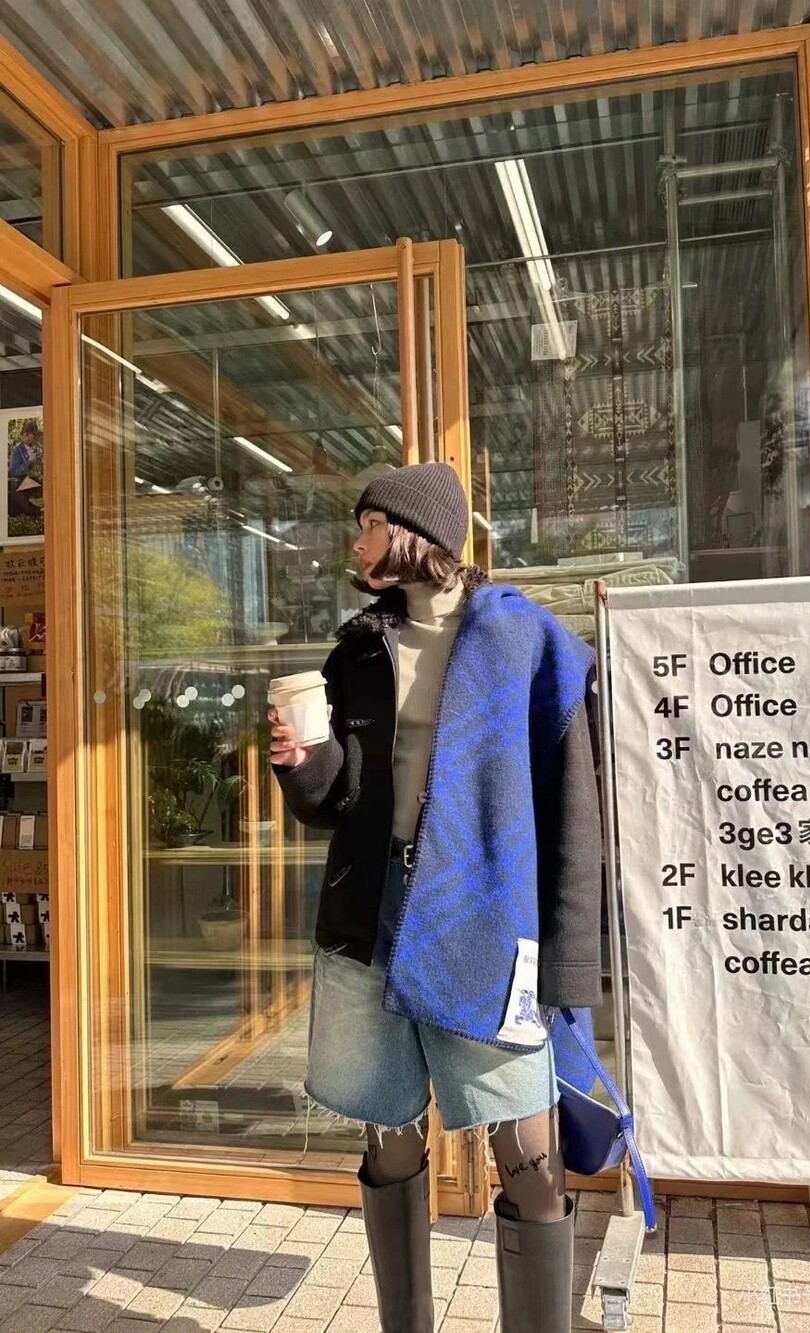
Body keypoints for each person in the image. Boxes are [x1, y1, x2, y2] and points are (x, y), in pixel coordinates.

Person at [270, 461, 603, 1332]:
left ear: (416, 530)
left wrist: (570, 968)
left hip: (484, 924)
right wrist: (303, 766)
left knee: (531, 1158)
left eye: (369, 523)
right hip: (370, 917)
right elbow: (339, 800)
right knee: (388, 1142)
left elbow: (574, 817)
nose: (357, 542)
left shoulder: (525, 642)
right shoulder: (357, 650)